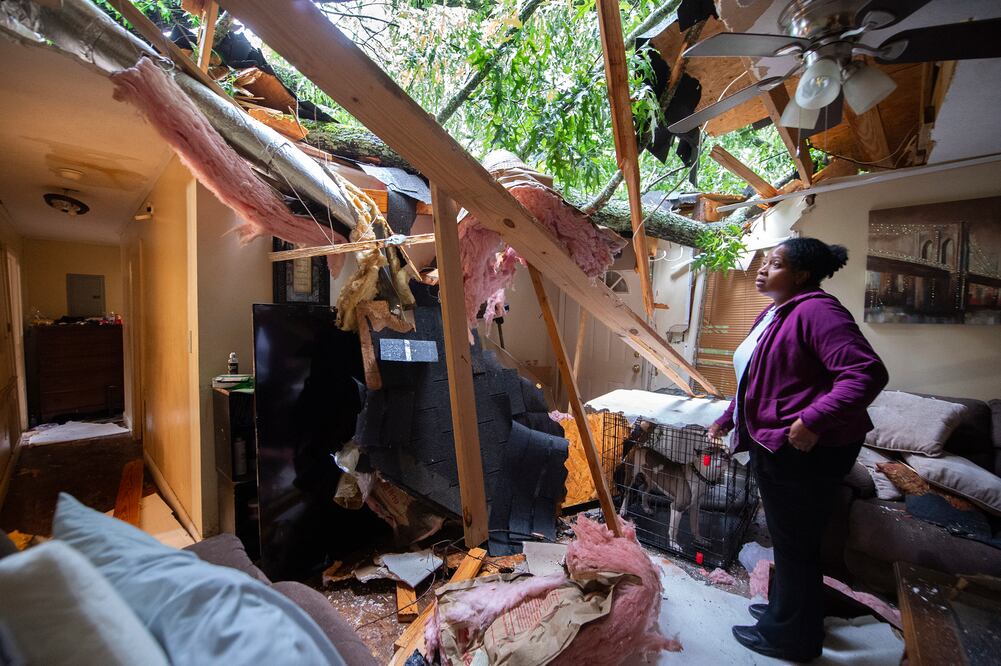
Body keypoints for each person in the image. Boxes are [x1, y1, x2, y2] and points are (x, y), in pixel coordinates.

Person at [707, 238, 888, 662]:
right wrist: (729, 417)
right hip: (777, 442)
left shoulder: (817, 311)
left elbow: (866, 372)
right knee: (790, 542)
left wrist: (813, 420)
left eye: (775, 263)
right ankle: (786, 612)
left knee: (796, 544)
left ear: (802, 275)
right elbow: (754, 379)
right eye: (764, 261)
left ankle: (791, 638)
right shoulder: (774, 312)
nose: (762, 269)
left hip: (803, 450)